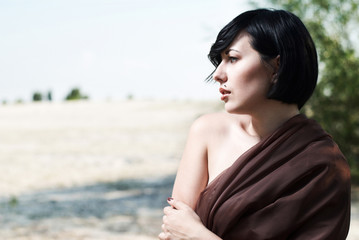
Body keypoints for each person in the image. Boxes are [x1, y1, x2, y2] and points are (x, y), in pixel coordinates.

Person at [159, 8, 351, 240]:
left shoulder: (323, 165)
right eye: (220, 61)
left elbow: (187, 232)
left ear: (276, 67)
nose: (218, 74)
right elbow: (174, 232)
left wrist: (199, 236)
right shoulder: (208, 132)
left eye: (232, 58)